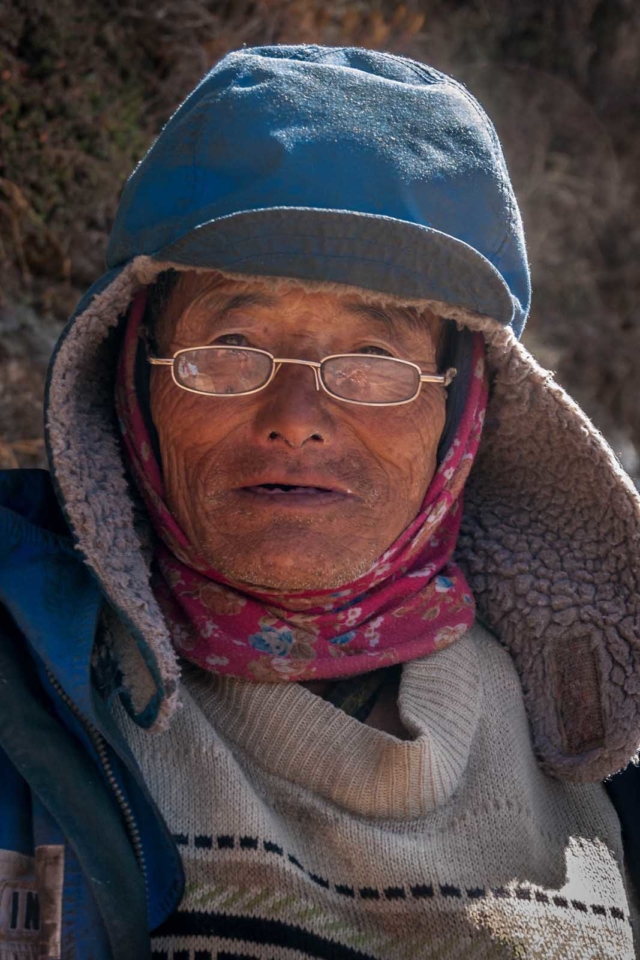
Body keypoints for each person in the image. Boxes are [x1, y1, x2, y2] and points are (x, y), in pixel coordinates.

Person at [1, 44, 639, 960]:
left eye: (374, 359)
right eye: (231, 344)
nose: (296, 419)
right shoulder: (25, 683)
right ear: (131, 382)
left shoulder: (603, 746)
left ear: (464, 409)